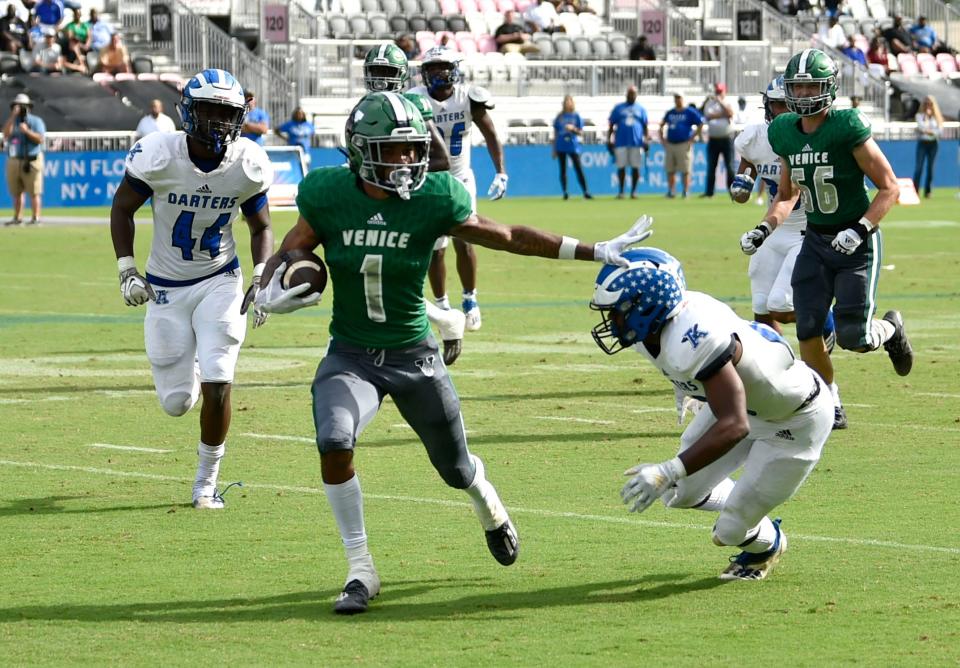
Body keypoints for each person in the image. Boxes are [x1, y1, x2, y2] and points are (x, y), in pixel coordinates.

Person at [251, 90, 653, 614]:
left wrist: (593, 249)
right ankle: (360, 569)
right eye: (393, 151)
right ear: (360, 151)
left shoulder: (433, 197)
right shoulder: (328, 193)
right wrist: (274, 275)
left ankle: (489, 506)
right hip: (350, 352)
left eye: (412, 149)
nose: (406, 161)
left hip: (413, 356)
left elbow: (507, 235)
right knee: (333, 439)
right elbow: (297, 241)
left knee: (456, 470)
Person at [590, 247, 833, 581]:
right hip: (745, 402)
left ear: (645, 307)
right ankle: (744, 501)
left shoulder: (694, 338)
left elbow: (734, 425)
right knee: (680, 493)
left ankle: (768, 544)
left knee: (728, 531)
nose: (611, 320)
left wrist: (667, 469)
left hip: (795, 421)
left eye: (617, 311)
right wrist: (689, 388)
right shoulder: (657, 325)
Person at [109, 69, 275, 509]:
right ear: (188, 111)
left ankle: (206, 483)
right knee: (177, 402)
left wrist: (261, 273)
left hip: (221, 278)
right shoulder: (159, 154)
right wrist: (126, 268)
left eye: (228, 113)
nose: (220, 122)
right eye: (210, 111)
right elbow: (122, 207)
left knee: (220, 376)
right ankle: (191, 374)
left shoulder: (246, 160)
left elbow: (261, 226)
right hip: (165, 286)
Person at [739, 49, 914, 431]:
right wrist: (764, 228)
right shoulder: (783, 131)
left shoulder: (847, 125)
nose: (802, 95)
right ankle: (829, 402)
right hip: (815, 241)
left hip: (856, 241)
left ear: (828, 88)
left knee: (856, 337)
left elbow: (889, 187)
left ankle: (890, 329)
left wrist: (860, 229)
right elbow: (788, 195)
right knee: (808, 328)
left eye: (810, 87)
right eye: (796, 88)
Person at [730, 76, 841, 425]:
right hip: (775, 227)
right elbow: (746, 176)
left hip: (807, 229)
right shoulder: (753, 138)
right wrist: (741, 186)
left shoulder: (808, 135)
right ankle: (783, 379)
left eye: (782, 104)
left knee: (783, 303)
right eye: (774, 104)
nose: (777, 111)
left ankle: (825, 326)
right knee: (762, 309)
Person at [362, 43, 465, 364]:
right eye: (375, 73)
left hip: (405, 201)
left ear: (402, 76)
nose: (380, 81)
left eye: (387, 73)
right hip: (373, 199)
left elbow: (440, 159)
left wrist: (398, 174)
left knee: (378, 278)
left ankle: (354, 348)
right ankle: (445, 321)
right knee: (371, 277)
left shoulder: (414, 105)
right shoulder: (366, 106)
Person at [409, 46, 508, 332]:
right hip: (428, 180)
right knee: (435, 247)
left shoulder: (469, 98)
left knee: (465, 240)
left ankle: (470, 300)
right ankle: (441, 305)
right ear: (424, 73)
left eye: (443, 66)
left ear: (454, 69)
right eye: (433, 67)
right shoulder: (414, 100)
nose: (439, 72)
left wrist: (501, 172)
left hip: (461, 178)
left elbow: (490, 134)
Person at [2, 94, 46, 226]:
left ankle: (35, 218)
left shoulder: (36, 121)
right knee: (17, 192)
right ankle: (17, 218)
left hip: (32, 160)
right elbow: (5, 134)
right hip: (15, 159)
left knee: (34, 191)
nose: (20, 109)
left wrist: (27, 131)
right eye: (17, 106)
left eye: (23, 106)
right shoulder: (12, 121)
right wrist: (13, 116)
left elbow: (40, 139)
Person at [607, 85, 649, 199]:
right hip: (621, 141)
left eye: (634, 93)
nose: (632, 95)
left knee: (636, 167)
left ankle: (634, 191)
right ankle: (621, 191)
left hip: (636, 142)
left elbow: (645, 126)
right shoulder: (619, 108)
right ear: (627, 94)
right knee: (621, 167)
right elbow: (611, 125)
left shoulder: (641, 109)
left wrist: (646, 140)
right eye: (630, 93)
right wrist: (609, 139)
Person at [659, 92, 702, 199]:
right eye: (676, 98)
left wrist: (692, 138)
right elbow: (661, 125)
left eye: (679, 98)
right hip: (671, 143)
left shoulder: (689, 112)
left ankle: (686, 191)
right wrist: (662, 139)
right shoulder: (670, 112)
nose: (677, 100)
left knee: (685, 169)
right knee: (670, 169)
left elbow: (700, 124)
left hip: (683, 143)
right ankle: (671, 191)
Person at [553, 94, 591, 200]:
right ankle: (565, 192)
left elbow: (580, 132)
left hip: (573, 145)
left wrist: (573, 129)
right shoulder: (560, 117)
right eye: (565, 101)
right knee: (563, 170)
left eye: (569, 101)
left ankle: (585, 191)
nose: (567, 103)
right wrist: (554, 148)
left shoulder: (576, 116)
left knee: (578, 169)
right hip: (561, 145)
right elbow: (555, 133)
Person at [702, 82, 734, 197]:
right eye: (717, 92)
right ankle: (709, 192)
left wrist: (721, 103)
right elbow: (708, 116)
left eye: (720, 92)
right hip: (713, 138)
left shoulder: (729, 101)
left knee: (729, 166)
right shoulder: (709, 103)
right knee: (711, 166)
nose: (718, 94)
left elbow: (730, 113)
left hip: (727, 138)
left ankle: (732, 191)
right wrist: (722, 114)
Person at [913, 95, 943, 199]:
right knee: (919, 168)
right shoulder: (919, 115)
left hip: (934, 144)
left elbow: (940, 131)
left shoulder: (937, 117)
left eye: (930, 104)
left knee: (930, 168)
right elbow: (921, 128)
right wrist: (926, 117)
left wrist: (929, 132)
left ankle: (928, 191)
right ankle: (915, 191)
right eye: (926, 104)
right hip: (922, 143)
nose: (928, 106)